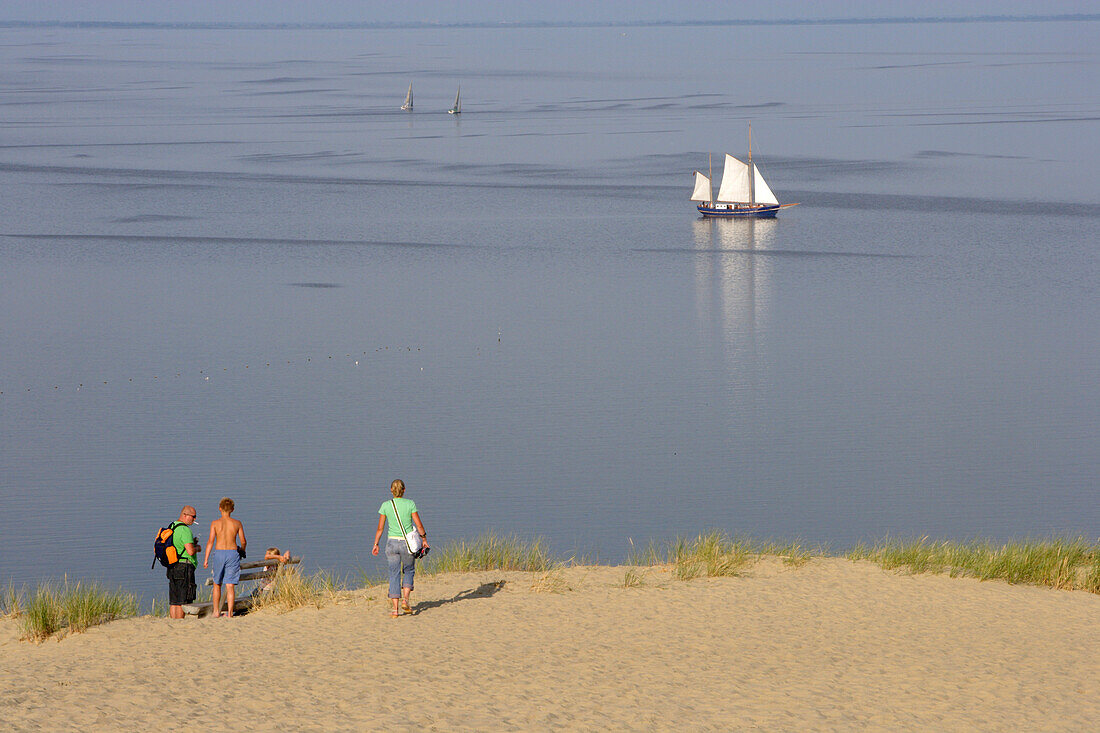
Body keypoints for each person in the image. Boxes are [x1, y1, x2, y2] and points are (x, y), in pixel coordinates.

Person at [372, 479, 429, 618]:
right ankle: (405, 600)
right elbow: (419, 525)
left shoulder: (385, 505)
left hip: (391, 543)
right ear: (404, 490)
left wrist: (376, 543)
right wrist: (424, 539)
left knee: (394, 574)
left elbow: (380, 528)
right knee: (409, 570)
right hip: (407, 544)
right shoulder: (410, 504)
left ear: (391, 490)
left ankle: (395, 610)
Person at [203, 497, 246, 618]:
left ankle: (216, 611)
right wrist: (242, 550)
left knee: (217, 584)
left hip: (219, 552)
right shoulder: (237, 523)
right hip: (232, 553)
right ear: (232, 509)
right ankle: (230, 613)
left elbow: (210, 541)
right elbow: (243, 541)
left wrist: (206, 559)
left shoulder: (215, 523)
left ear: (220, 508)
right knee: (230, 585)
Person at [167, 505, 201, 620]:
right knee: (183, 599)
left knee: (174, 600)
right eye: (193, 517)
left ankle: (174, 622)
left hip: (172, 565)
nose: (194, 519)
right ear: (185, 515)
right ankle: (180, 622)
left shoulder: (172, 526)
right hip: (184, 567)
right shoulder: (185, 530)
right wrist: (197, 548)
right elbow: (190, 551)